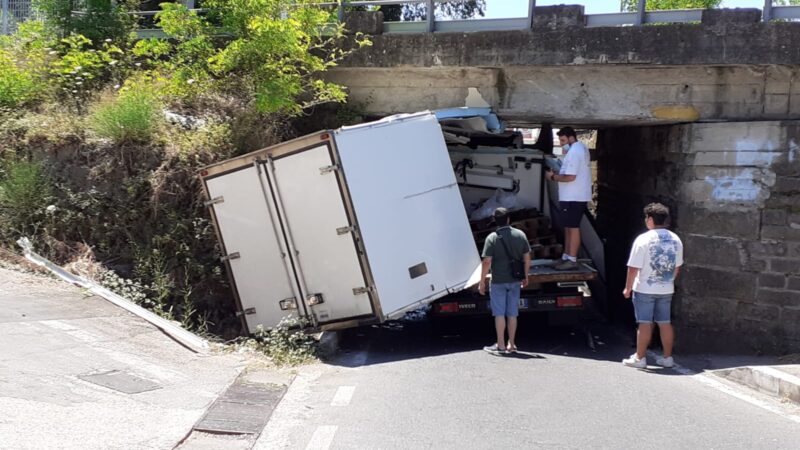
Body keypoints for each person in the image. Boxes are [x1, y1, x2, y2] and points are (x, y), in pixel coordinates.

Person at [622, 203, 684, 369]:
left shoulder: (643, 239)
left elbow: (633, 267)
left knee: (644, 323)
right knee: (665, 322)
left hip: (644, 288)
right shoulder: (675, 239)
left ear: (650, 219)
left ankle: (640, 358)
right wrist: (667, 281)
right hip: (666, 288)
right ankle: (667, 358)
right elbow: (677, 267)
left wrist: (627, 288)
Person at [478, 208, 532, 356]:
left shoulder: (492, 238)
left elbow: (487, 262)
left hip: (498, 282)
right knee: (513, 313)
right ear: (508, 219)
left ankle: (500, 345)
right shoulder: (520, 235)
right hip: (515, 281)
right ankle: (512, 344)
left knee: (499, 313)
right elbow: (527, 258)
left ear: (495, 220)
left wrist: (482, 281)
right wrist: (526, 276)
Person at [545, 127, 592, 271]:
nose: (561, 143)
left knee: (572, 227)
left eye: (563, 140)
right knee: (568, 226)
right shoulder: (581, 148)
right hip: (575, 195)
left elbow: (571, 177)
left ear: (571, 138)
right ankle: (566, 256)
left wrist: (553, 177)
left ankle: (571, 259)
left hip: (573, 196)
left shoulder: (575, 152)